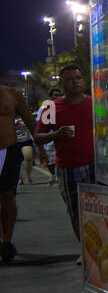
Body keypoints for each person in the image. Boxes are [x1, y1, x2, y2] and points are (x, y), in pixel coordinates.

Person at [33, 66, 94, 242]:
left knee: (99, 208)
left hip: (95, 165)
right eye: (70, 79)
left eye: (79, 77)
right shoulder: (51, 108)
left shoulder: (94, 104)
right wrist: (56, 134)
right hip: (68, 168)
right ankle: (84, 250)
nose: (76, 82)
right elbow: (38, 137)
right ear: (62, 83)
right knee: (75, 210)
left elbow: (107, 125)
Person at [1, 85, 55, 261]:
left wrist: (41, 148)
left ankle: (7, 242)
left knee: (8, 196)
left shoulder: (11, 94)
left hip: (7, 150)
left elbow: (32, 123)